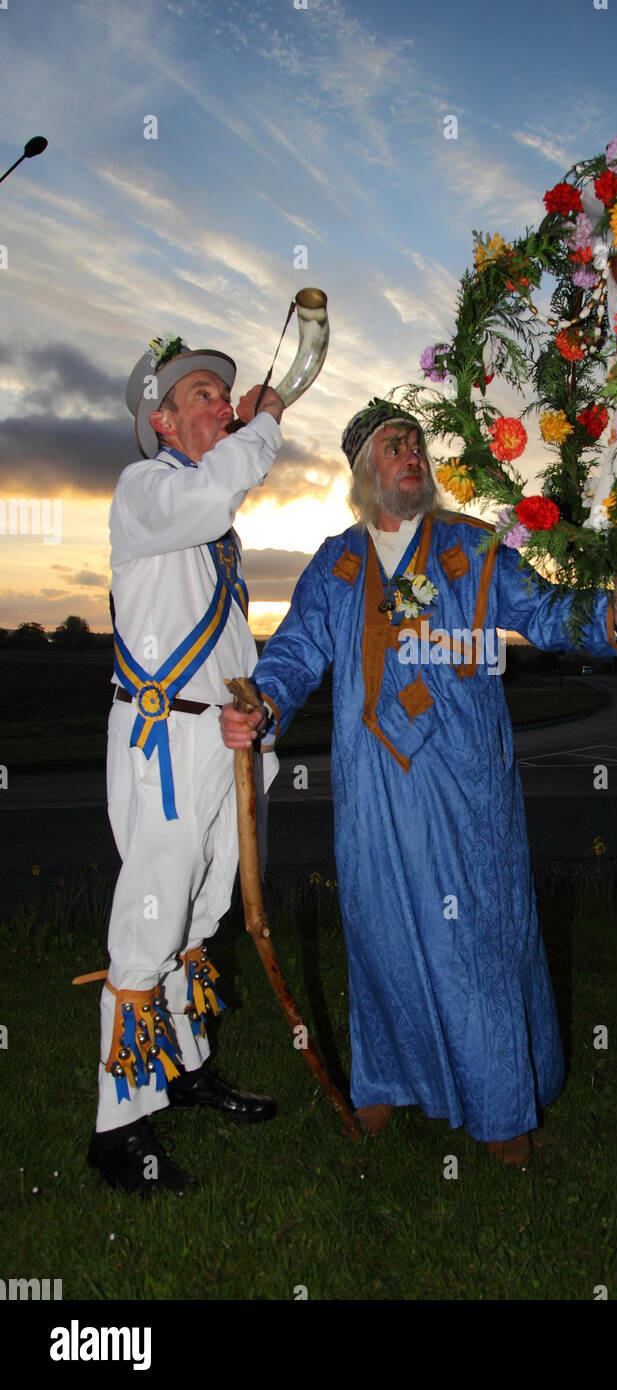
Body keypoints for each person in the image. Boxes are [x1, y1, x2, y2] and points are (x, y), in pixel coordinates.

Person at [221, 399, 617, 1165]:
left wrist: (611, 611)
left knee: (475, 943)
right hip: (371, 791)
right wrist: (262, 702)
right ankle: (385, 1080)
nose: (410, 454)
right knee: (379, 932)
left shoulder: (473, 547)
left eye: (416, 441)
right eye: (392, 446)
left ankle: (499, 1110)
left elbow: (545, 609)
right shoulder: (336, 562)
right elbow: (293, 653)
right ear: (362, 474)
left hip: (462, 786)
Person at [87, 338, 284, 1194]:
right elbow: (213, 490)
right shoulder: (149, 494)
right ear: (163, 421)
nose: (223, 405)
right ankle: (117, 1131)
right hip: (161, 745)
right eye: (205, 395)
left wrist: (257, 727)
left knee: (200, 918)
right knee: (149, 926)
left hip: (219, 744)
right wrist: (268, 424)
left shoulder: (213, 535)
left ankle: (186, 1068)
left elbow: (230, 647)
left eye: (229, 397)